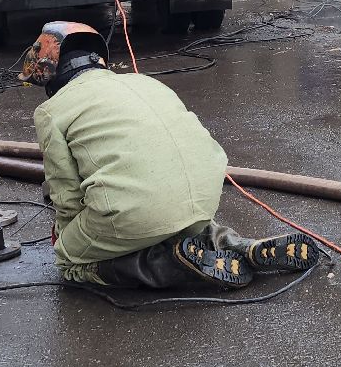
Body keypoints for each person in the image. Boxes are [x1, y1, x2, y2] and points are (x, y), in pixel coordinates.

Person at [23, 21, 317, 289]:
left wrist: (68, 236)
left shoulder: (51, 111)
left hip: (136, 213)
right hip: (202, 199)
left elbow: (67, 194)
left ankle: (171, 265)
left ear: (52, 75)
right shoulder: (145, 82)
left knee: (70, 261)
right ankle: (238, 245)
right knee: (172, 218)